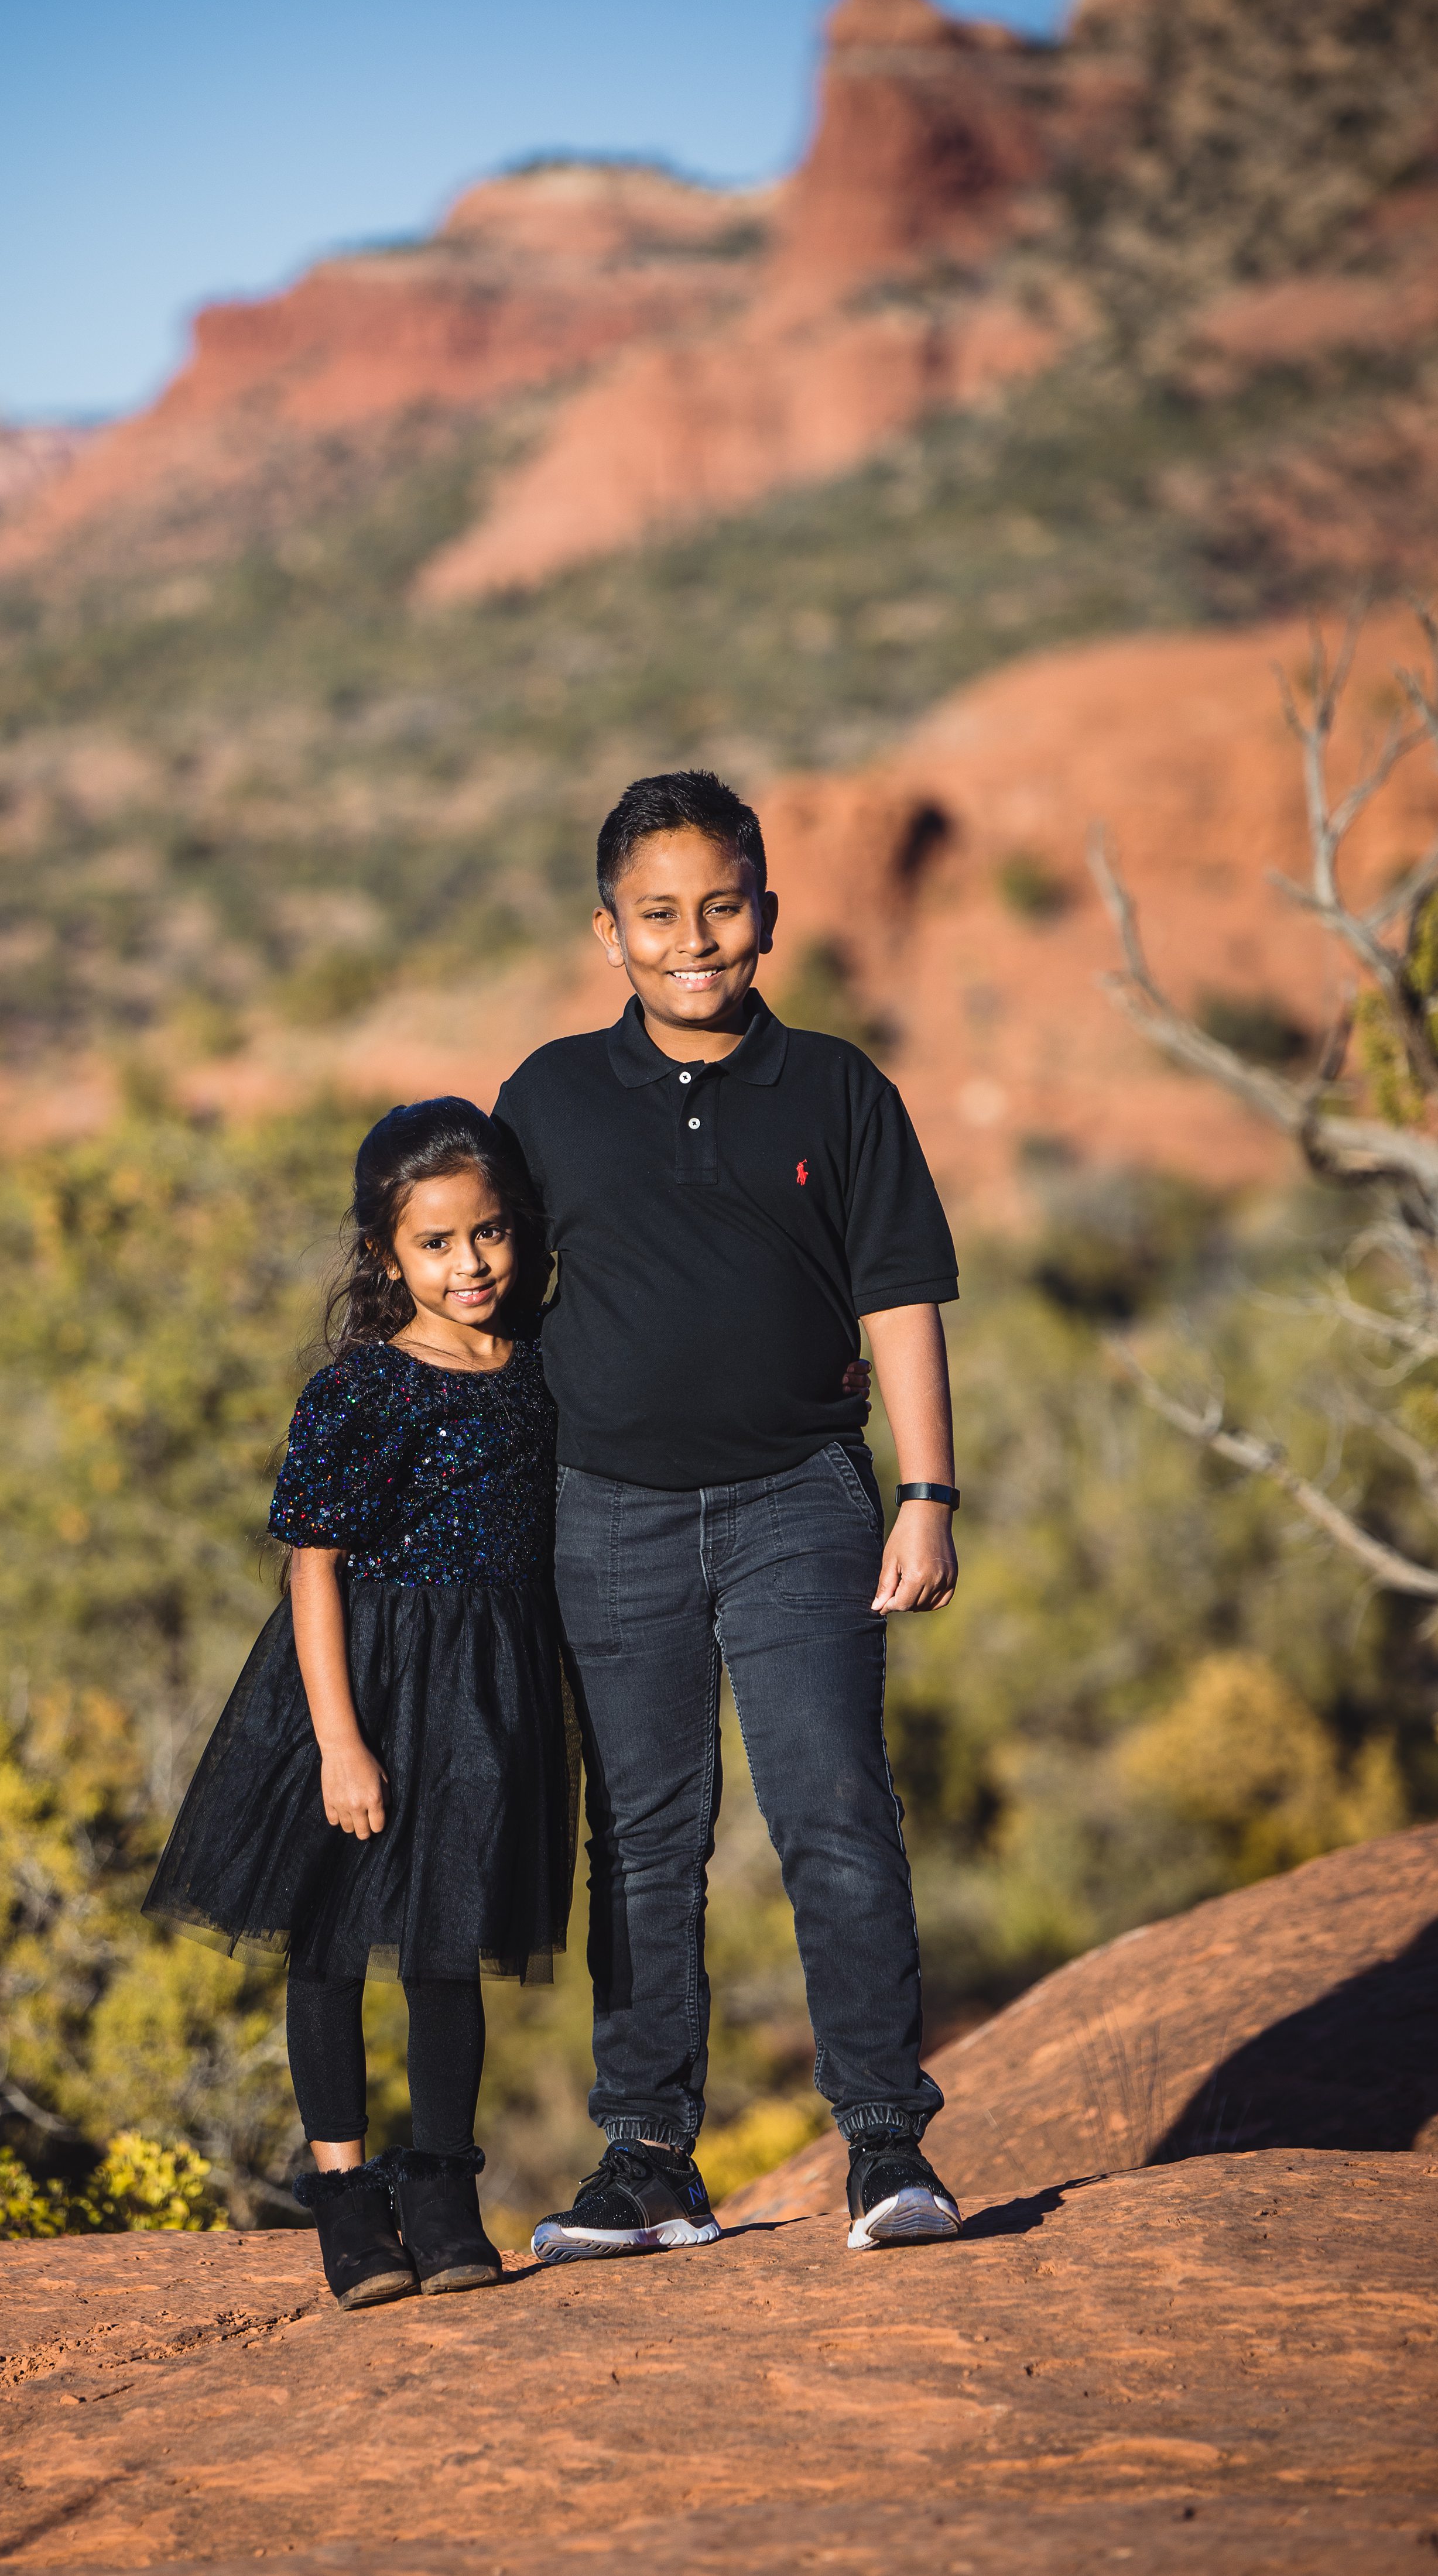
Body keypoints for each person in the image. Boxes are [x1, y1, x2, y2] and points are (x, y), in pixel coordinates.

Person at [493, 770, 964, 2266]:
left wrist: (928, 1492)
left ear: (766, 912)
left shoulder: (838, 1090)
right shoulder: (549, 1097)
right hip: (601, 1517)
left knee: (833, 1808)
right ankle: (648, 2165)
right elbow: (487, 1299)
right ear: (608, 931)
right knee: (639, 1835)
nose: (693, 939)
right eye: (657, 914)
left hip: (799, 1505)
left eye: (721, 907)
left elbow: (900, 1295)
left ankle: (884, 2143)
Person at [144, 1099, 573, 2309]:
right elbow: (313, 1561)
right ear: (387, 1258)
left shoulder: (539, 1364)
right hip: (359, 1682)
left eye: (488, 1235)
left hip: (487, 1690)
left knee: (448, 1944)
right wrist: (340, 1741)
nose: (470, 1265)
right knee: (330, 1941)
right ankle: (346, 2208)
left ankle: (442, 2199)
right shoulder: (363, 1390)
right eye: (436, 1245)